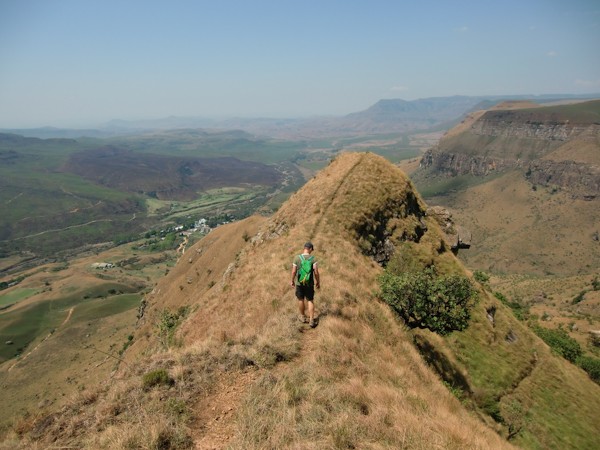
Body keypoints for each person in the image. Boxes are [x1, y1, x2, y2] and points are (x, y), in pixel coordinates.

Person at [290, 241, 320, 328]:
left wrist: (292, 281)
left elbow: (294, 271)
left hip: (299, 283)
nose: (311, 251)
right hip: (309, 284)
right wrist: (318, 282)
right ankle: (311, 320)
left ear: (304, 248)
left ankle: (302, 317)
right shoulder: (313, 259)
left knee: (301, 299)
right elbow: (316, 272)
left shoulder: (297, 258)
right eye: (311, 250)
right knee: (310, 300)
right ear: (310, 249)